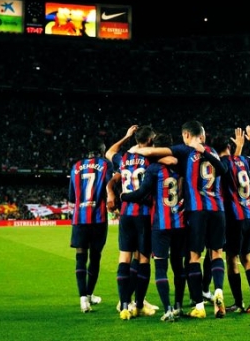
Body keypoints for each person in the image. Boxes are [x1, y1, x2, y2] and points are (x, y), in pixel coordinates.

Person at [129, 120, 228, 319]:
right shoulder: (213, 152)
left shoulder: (185, 150)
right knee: (216, 253)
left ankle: (199, 305)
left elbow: (153, 152)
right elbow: (223, 170)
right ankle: (218, 290)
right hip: (218, 209)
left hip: (196, 210)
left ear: (186, 135)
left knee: (193, 257)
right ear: (202, 135)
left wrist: (136, 150)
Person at [120, 133, 188, 322]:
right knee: (178, 266)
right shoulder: (180, 166)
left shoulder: (153, 169)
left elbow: (141, 192)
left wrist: (124, 197)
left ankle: (168, 309)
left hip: (160, 225)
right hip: (179, 223)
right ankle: (179, 306)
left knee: (160, 267)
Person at [212, 125, 250, 314]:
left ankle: (238, 302)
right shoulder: (243, 159)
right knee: (247, 258)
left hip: (234, 218)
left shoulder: (221, 164)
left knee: (231, 258)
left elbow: (225, 169)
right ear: (229, 146)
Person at [106, 124, 157, 320]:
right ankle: (139, 304)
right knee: (143, 259)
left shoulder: (124, 158)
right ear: (150, 140)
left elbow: (110, 152)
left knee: (124, 258)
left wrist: (126, 136)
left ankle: (124, 305)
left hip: (125, 214)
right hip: (144, 214)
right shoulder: (151, 157)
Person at [68, 135, 115, 313]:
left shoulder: (76, 166)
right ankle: (89, 294)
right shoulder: (106, 164)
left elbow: (72, 196)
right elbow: (110, 187)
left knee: (81, 257)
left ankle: (83, 299)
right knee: (95, 257)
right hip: (98, 217)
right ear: (102, 150)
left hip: (79, 218)